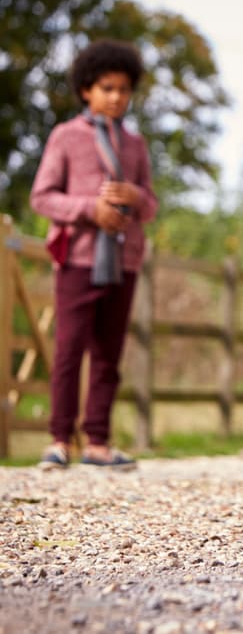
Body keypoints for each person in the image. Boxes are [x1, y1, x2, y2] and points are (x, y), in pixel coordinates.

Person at [30, 39, 158, 470]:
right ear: (87, 89)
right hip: (78, 258)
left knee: (109, 353)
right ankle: (59, 439)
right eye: (107, 88)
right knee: (69, 351)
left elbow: (152, 206)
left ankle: (98, 442)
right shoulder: (66, 137)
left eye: (123, 89)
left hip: (124, 260)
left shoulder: (136, 145)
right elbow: (42, 197)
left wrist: (134, 195)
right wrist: (91, 209)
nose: (116, 97)